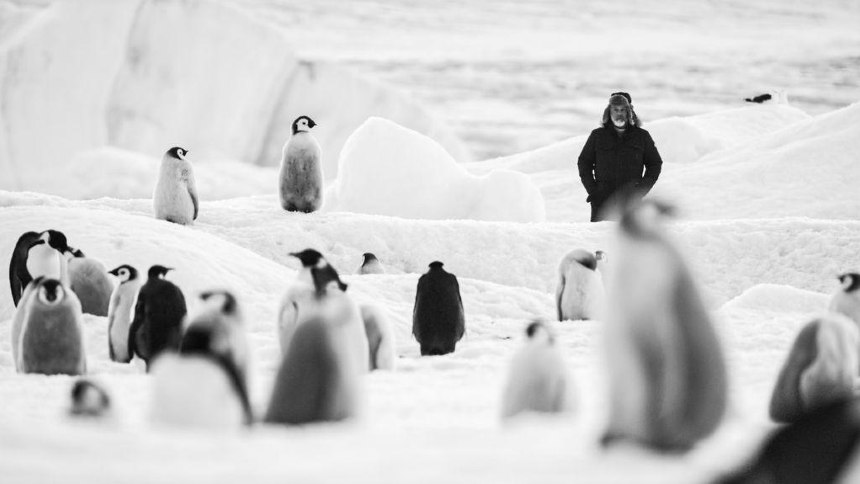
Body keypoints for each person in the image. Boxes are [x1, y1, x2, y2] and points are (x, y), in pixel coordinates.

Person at [577, 92, 663, 222]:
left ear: (629, 112)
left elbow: (655, 164)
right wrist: (593, 191)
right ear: (608, 112)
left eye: (623, 110)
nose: (619, 113)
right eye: (615, 110)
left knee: (628, 240)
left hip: (630, 203)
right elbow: (584, 163)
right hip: (602, 203)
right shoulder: (597, 136)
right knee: (598, 239)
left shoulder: (642, 137)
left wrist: (640, 190)